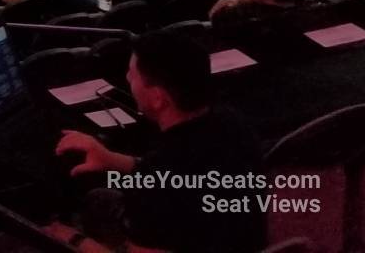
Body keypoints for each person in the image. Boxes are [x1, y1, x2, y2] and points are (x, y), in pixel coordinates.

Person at [54, 31, 264, 253]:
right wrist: (111, 159)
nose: (127, 79)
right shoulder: (231, 122)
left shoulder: (154, 193)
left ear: (157, 98)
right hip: (237, 240)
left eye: (132, 74)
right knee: (99, 200)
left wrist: (74, 239)